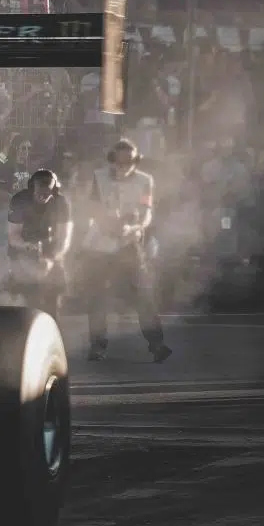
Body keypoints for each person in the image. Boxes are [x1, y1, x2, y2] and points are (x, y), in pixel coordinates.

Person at [80, 139, 171, 362]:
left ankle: (156, 344)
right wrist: (107, 223)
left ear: (135, 161)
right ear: (112, 159)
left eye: (128, 160)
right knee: (98, 297)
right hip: (100, 244)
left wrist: (135, 226)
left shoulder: (145, 181)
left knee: (143, 296)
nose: (123, 165)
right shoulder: (99, 177)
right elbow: (92, 206)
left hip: (129, 243)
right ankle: (97, 345)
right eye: (119, 160)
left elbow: (146, 210)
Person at [6, 168, 73, 317]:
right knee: (28, 303)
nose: (43, 197)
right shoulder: (19, 200)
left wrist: (52, 258)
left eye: (47, 193)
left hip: (52, 253)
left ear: (54, 190)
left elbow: (64, 237)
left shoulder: (61, 203)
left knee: (52, 302)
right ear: (31, 188)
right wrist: (27, 246)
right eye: (39, 193)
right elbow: (13, 235)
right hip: (24, 252)